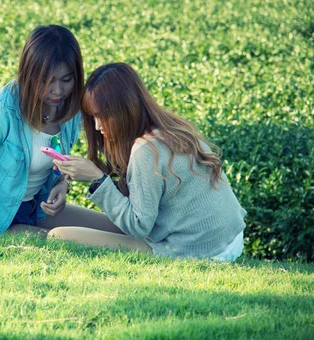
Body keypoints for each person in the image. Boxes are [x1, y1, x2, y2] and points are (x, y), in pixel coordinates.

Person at [50, 62, 246, 261]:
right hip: (230, 238)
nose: (98, 126)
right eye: (93, 117)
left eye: (102, 116)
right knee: (60, 218)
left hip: (197, 249)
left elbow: (138, 226)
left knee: (59, 236)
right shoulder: (170, 128)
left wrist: (97, 179)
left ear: (124, 110)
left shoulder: (146, 150)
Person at [0, 25, 121, 237]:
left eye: (66, 80)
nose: (57, 91)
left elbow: (55, 160)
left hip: (37, 208)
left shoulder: (70, 110)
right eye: (47, 81)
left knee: (118, 229)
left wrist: (62, 184)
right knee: (68, 241)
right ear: (29, 75)